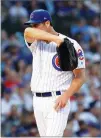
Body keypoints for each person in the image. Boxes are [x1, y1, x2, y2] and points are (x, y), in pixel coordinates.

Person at [24, 9, 86, 137]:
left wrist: (66, 95)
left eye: (36, 24)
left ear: (47, 23)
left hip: (57, 100)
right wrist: (56, 40)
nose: (33, 28)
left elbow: (80, 77)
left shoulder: (72, 45)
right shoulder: (36, 42)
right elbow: (27, 32)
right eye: (32, 25)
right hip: (37, 100)